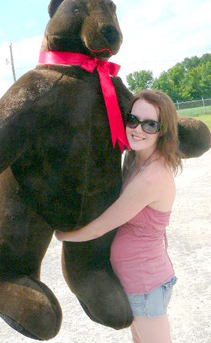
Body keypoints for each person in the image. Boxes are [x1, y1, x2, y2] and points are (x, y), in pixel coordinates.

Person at [55, 89, 182, 343]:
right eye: (132, 120)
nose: (137, 129)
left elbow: (100, 227)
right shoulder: (136, 160)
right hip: (136, 281)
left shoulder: (152, 177)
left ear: (163, 130)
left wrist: (61, 234)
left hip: (145, 283)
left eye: (150, 124)